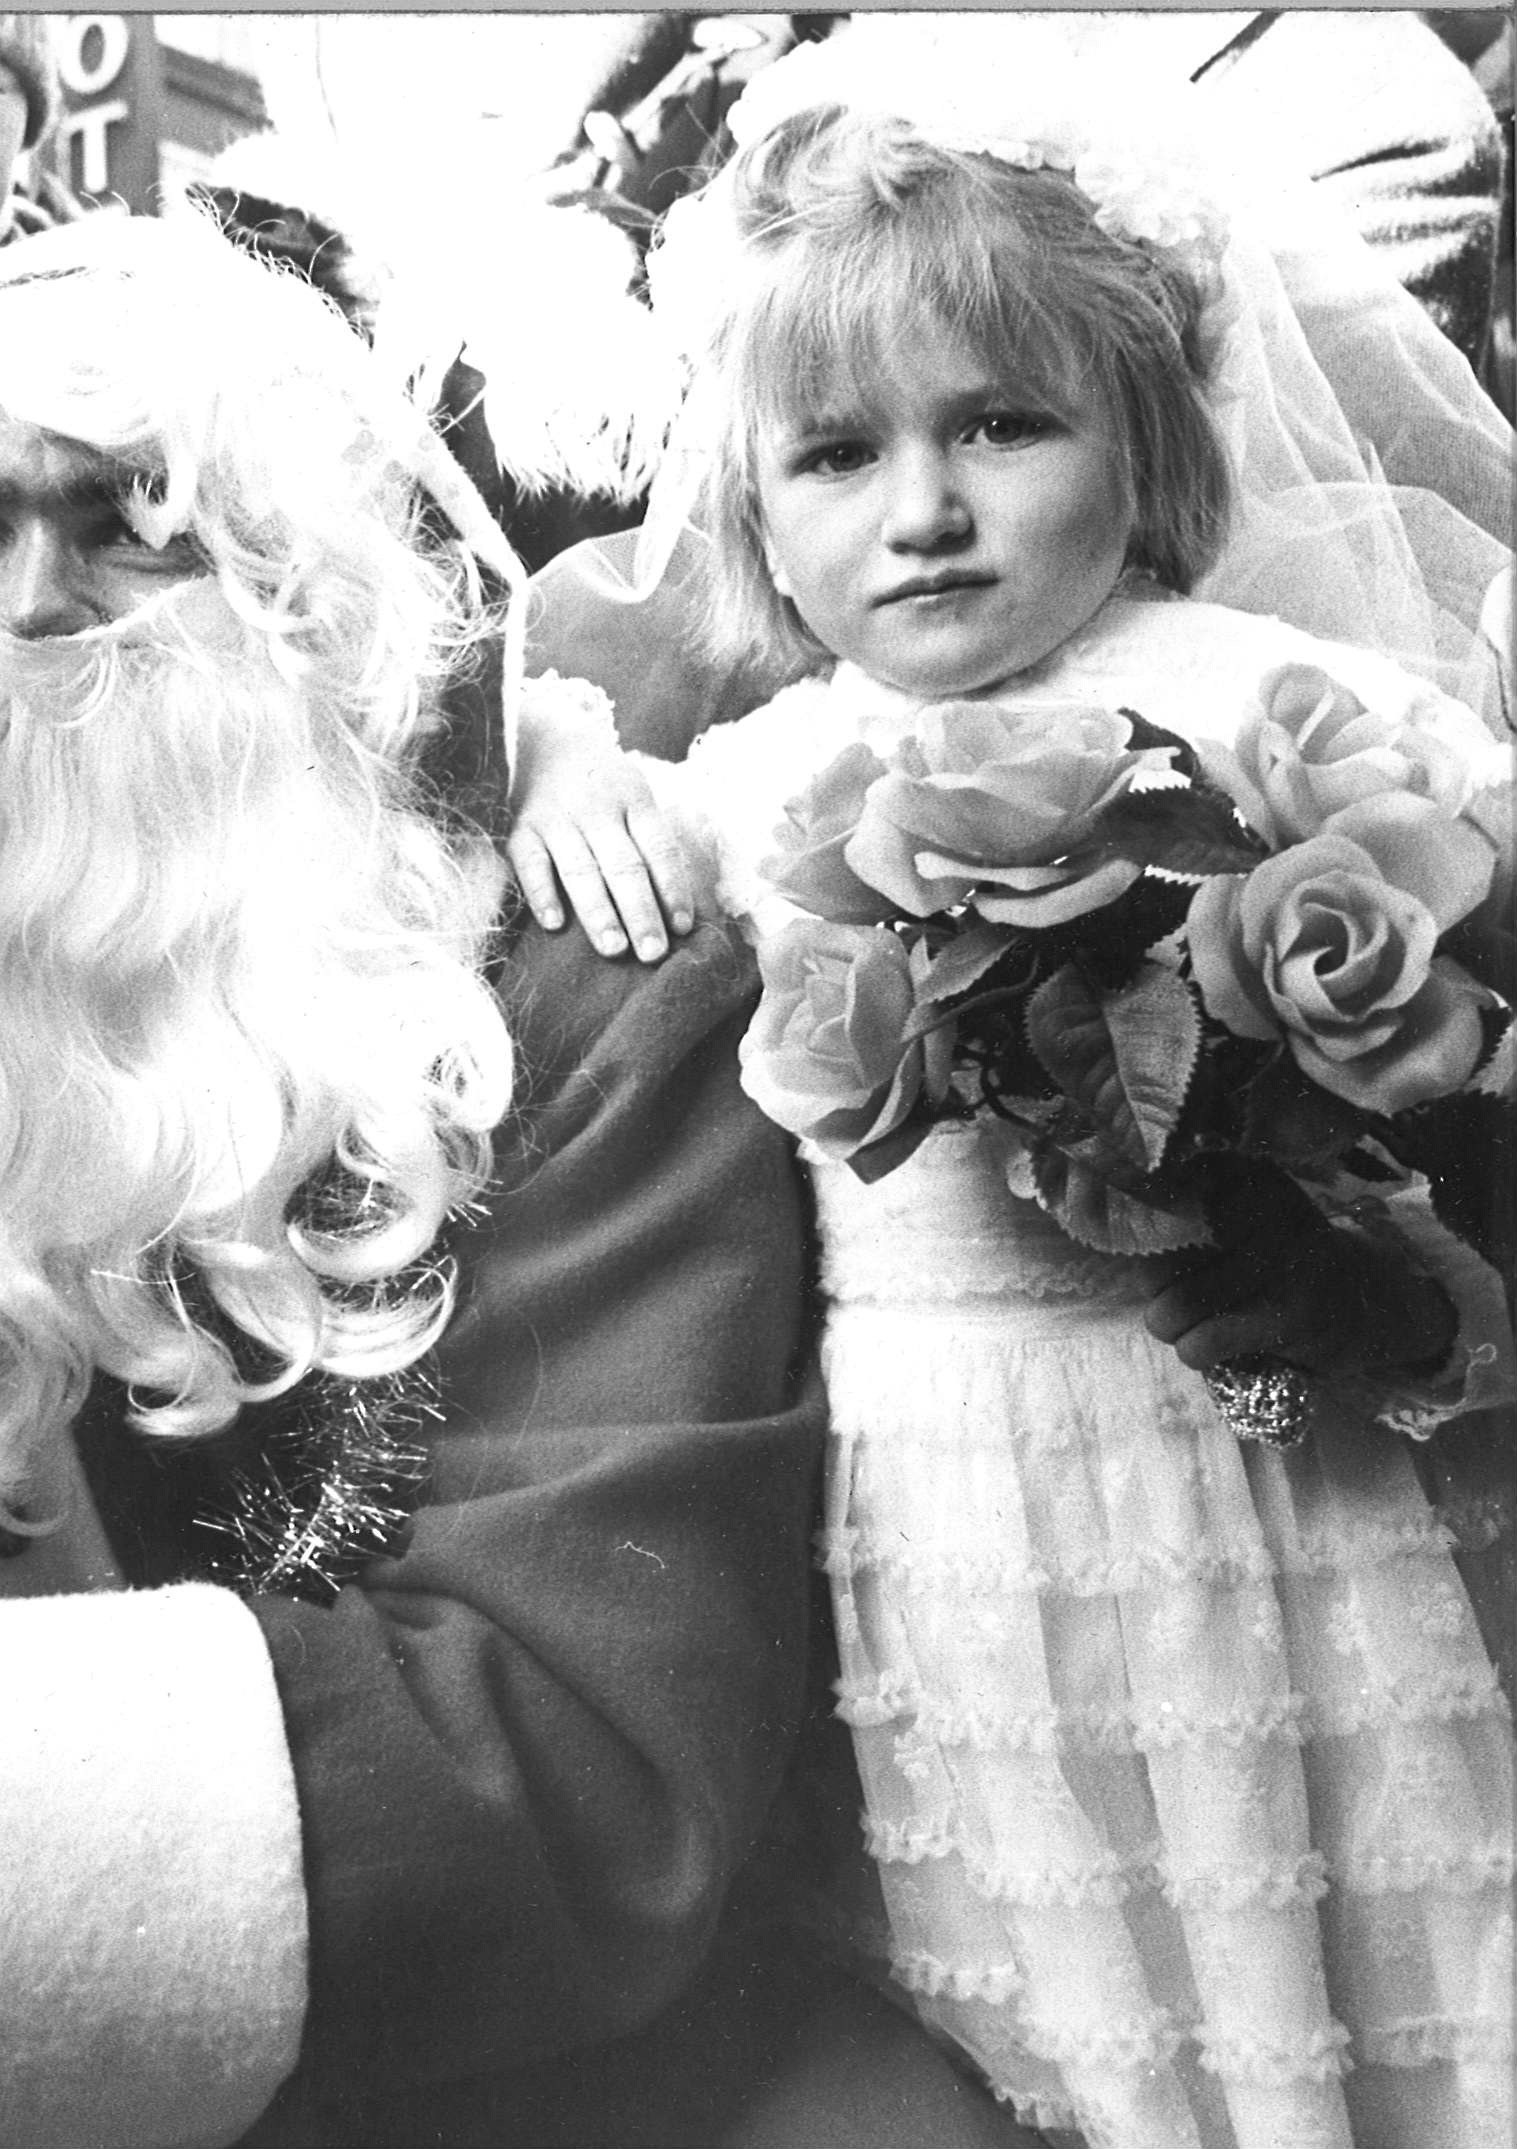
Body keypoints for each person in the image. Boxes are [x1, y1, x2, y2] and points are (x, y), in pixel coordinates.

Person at [507, 29, 1516, 2148]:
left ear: (1144, 445)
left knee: (1332, 1899)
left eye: (1002, 424)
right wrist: (556, 775)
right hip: (936, 1496)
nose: (928, 510)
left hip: (1248, 1438)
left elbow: (1469, 914)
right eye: (839, 455)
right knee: (1041, 1983)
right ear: (756, 513)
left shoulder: (1283, 708)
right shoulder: (754, 779)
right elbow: (561, 856)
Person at [0, 209, 1037, 2149]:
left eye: (136, 519)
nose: (45, 600)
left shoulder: (568, 991)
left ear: (299, 595)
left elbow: (587, 1765)